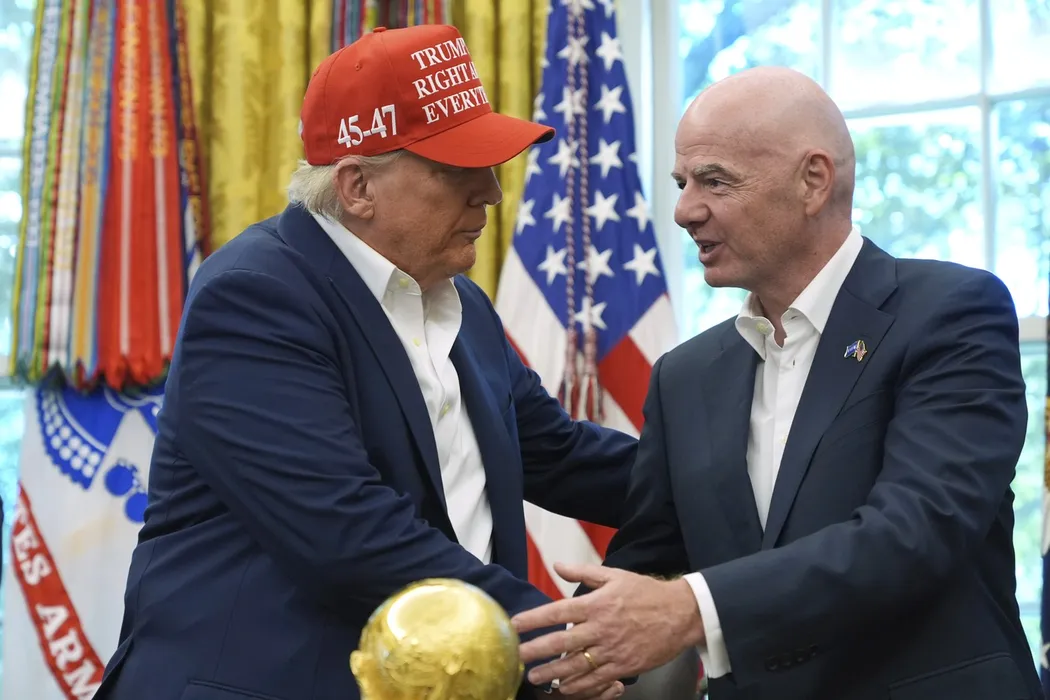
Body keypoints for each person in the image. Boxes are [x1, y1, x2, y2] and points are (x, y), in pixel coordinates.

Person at [94, 24, 632, 700]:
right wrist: (563, 642)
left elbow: (560, 454)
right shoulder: (256, 296)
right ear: (357, 188)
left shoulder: (457, 299)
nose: (492, 193)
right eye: (458, 169)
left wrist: (731, 483)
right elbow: (346, 532)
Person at [511, 65, 1041, 700]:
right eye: (682, 183)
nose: (684, 211)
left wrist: (691, 609)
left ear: (813, 181)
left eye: (714, 181)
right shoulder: (686, 376)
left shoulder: (949, 312)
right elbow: (646, 561)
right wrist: (563, 665)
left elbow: (915, 532)